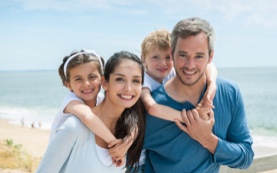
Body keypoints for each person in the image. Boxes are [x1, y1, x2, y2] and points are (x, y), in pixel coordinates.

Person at [143, 17, 254, 172]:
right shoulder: (149, 107)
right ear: (172, 53)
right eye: (183, 55)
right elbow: (124, 157)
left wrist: (207, 139)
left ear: (210, 57)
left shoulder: (229, 93)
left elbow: (246, 157)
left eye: (199, 56)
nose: (190, 65)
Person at [37, 51, 146, 173]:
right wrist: (114, 143)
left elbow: (135, 116)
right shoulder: (74, 125)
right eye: (120, 79)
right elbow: (87, 116)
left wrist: (128, 139)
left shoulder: (127, 129)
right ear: (105, 83)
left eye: (136, 81)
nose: (128, 88)